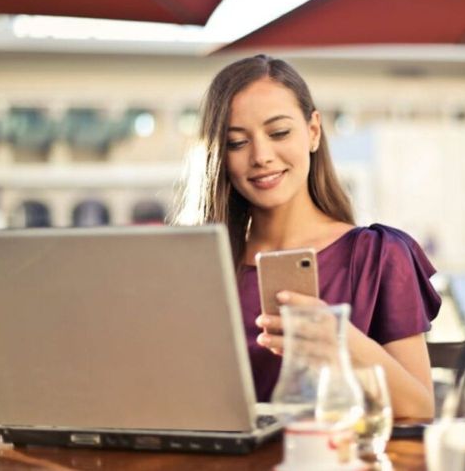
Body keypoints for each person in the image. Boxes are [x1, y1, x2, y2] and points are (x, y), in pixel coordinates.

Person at [174, 55, 441, 418]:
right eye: (237, 142)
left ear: (313, 131)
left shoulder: (378, 255)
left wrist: (340, 342)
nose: (261, 156)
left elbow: (421, 407)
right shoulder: (199, 267)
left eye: (279, 133)